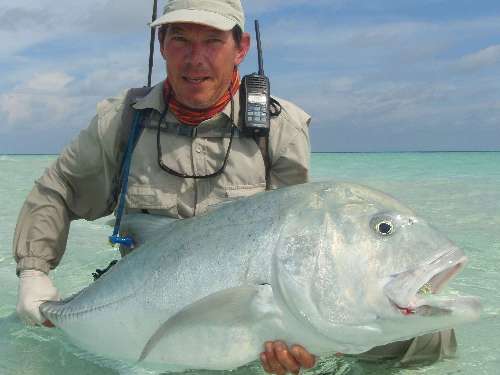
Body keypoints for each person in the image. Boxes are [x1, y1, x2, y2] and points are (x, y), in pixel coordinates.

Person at [12, 1, 456, 374]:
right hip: (140, 301)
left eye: (212, 41)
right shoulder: (121, 121)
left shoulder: (280, 128)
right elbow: (59, 188)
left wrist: (302, 332)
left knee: (430, 337)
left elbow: (297, 244)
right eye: (180, 39)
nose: (195, 58)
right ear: (162, 46)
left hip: (239, 313)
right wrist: (34, 273)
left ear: (240, 48)